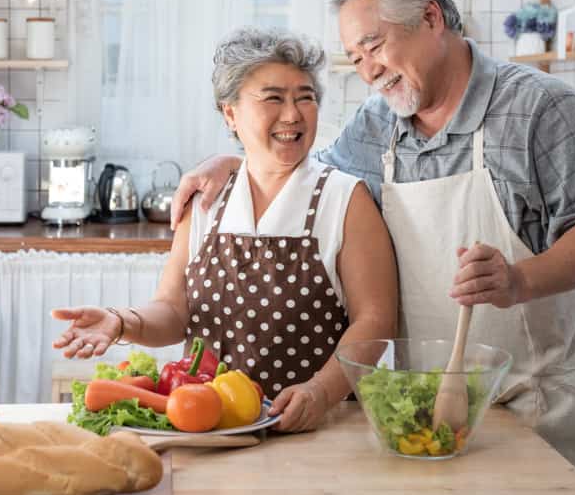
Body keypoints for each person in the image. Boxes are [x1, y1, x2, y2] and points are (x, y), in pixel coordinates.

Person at [169, 0, 575, 495]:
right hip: (429, 404)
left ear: (431, 19)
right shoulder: (378, 122)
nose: (367, 71)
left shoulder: (540, 106)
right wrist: (234, 162)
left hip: (542, 398)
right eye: (355, 57)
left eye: (375, 46)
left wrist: (519, 281)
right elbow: (303, 171)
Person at [52, 26, 398, 433]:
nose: (293, 114)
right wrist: (121, 320)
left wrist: (319, 392)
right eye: (273, 98)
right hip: (211, 427)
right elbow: (173, 311)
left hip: (318, 427)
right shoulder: (207, 200)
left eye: (305, 97)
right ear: (230, 113)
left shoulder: (343, 198)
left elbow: (376, 320)